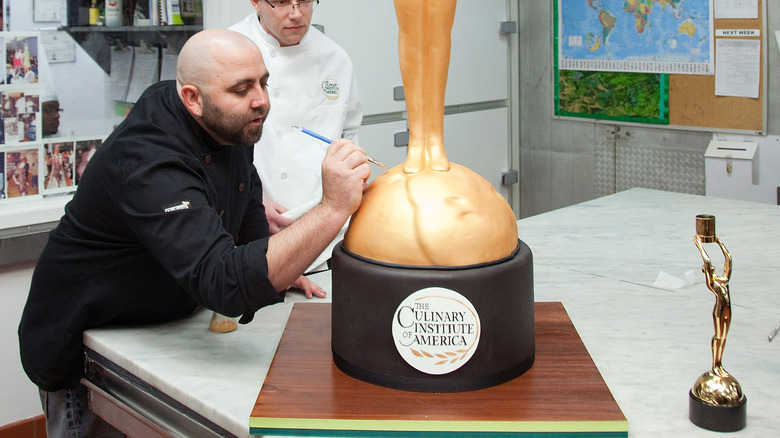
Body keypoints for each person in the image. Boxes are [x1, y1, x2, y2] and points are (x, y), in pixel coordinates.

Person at [18, 28, 370, 438]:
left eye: (263, 82)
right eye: (242, 89)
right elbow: (223, 283)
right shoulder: (150, 161)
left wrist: (273, 256)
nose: (261, 100)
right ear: (192, 98)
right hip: (87, 343)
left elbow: (243, 186)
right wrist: (332, 208)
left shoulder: (227, 119)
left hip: (160, 324)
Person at [229, 0, 362, 272]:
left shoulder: (335, 58)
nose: (296, 13)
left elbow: (349, 134)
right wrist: (249, 208)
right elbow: (211, 149)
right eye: (281, 3)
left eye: (304, 1)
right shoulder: (230, 50)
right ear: (256, 2)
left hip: (329, 238)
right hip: (254, 236)